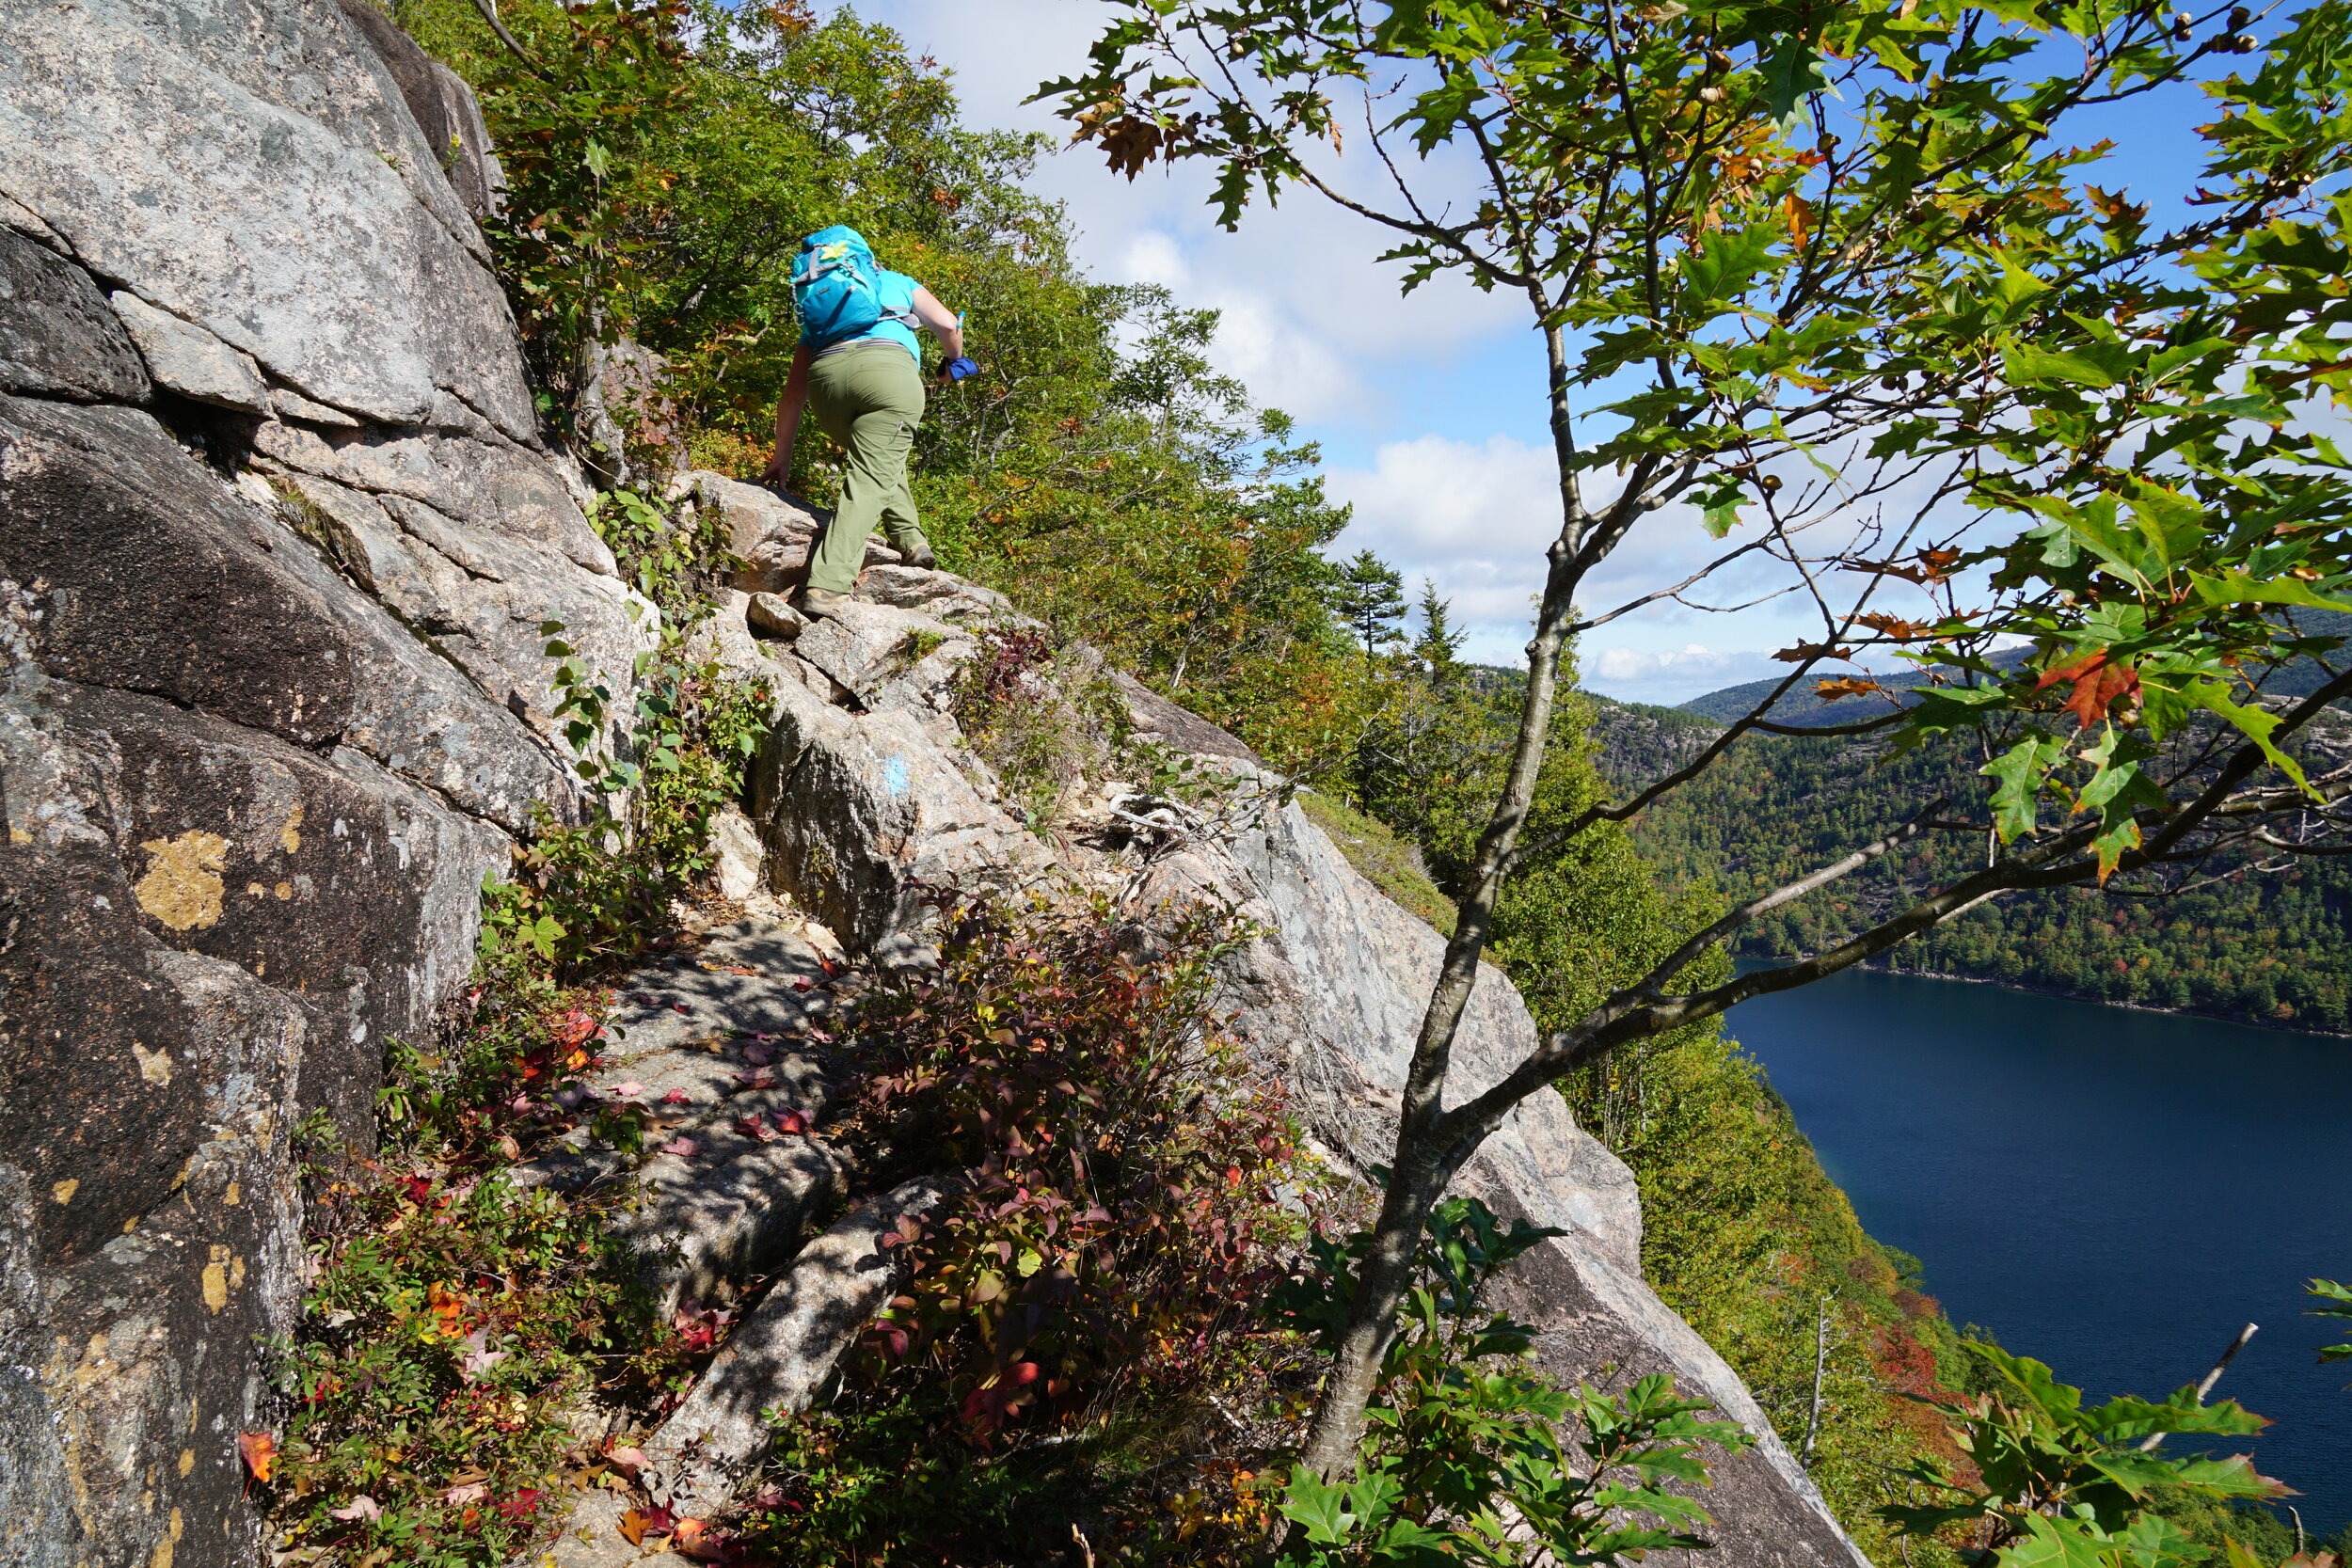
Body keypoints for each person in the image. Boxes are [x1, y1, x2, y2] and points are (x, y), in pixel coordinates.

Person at [763, 226, 971, 615]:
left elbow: (793, 394)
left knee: (880, 459)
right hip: (887, 378)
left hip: (827, 390)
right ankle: (828, 585)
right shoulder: (895, 282)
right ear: (865, 257)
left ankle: (911, 540)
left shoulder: (818, 312)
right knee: (870, 478)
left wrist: (782, 455)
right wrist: (952, 363)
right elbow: (947, 325)